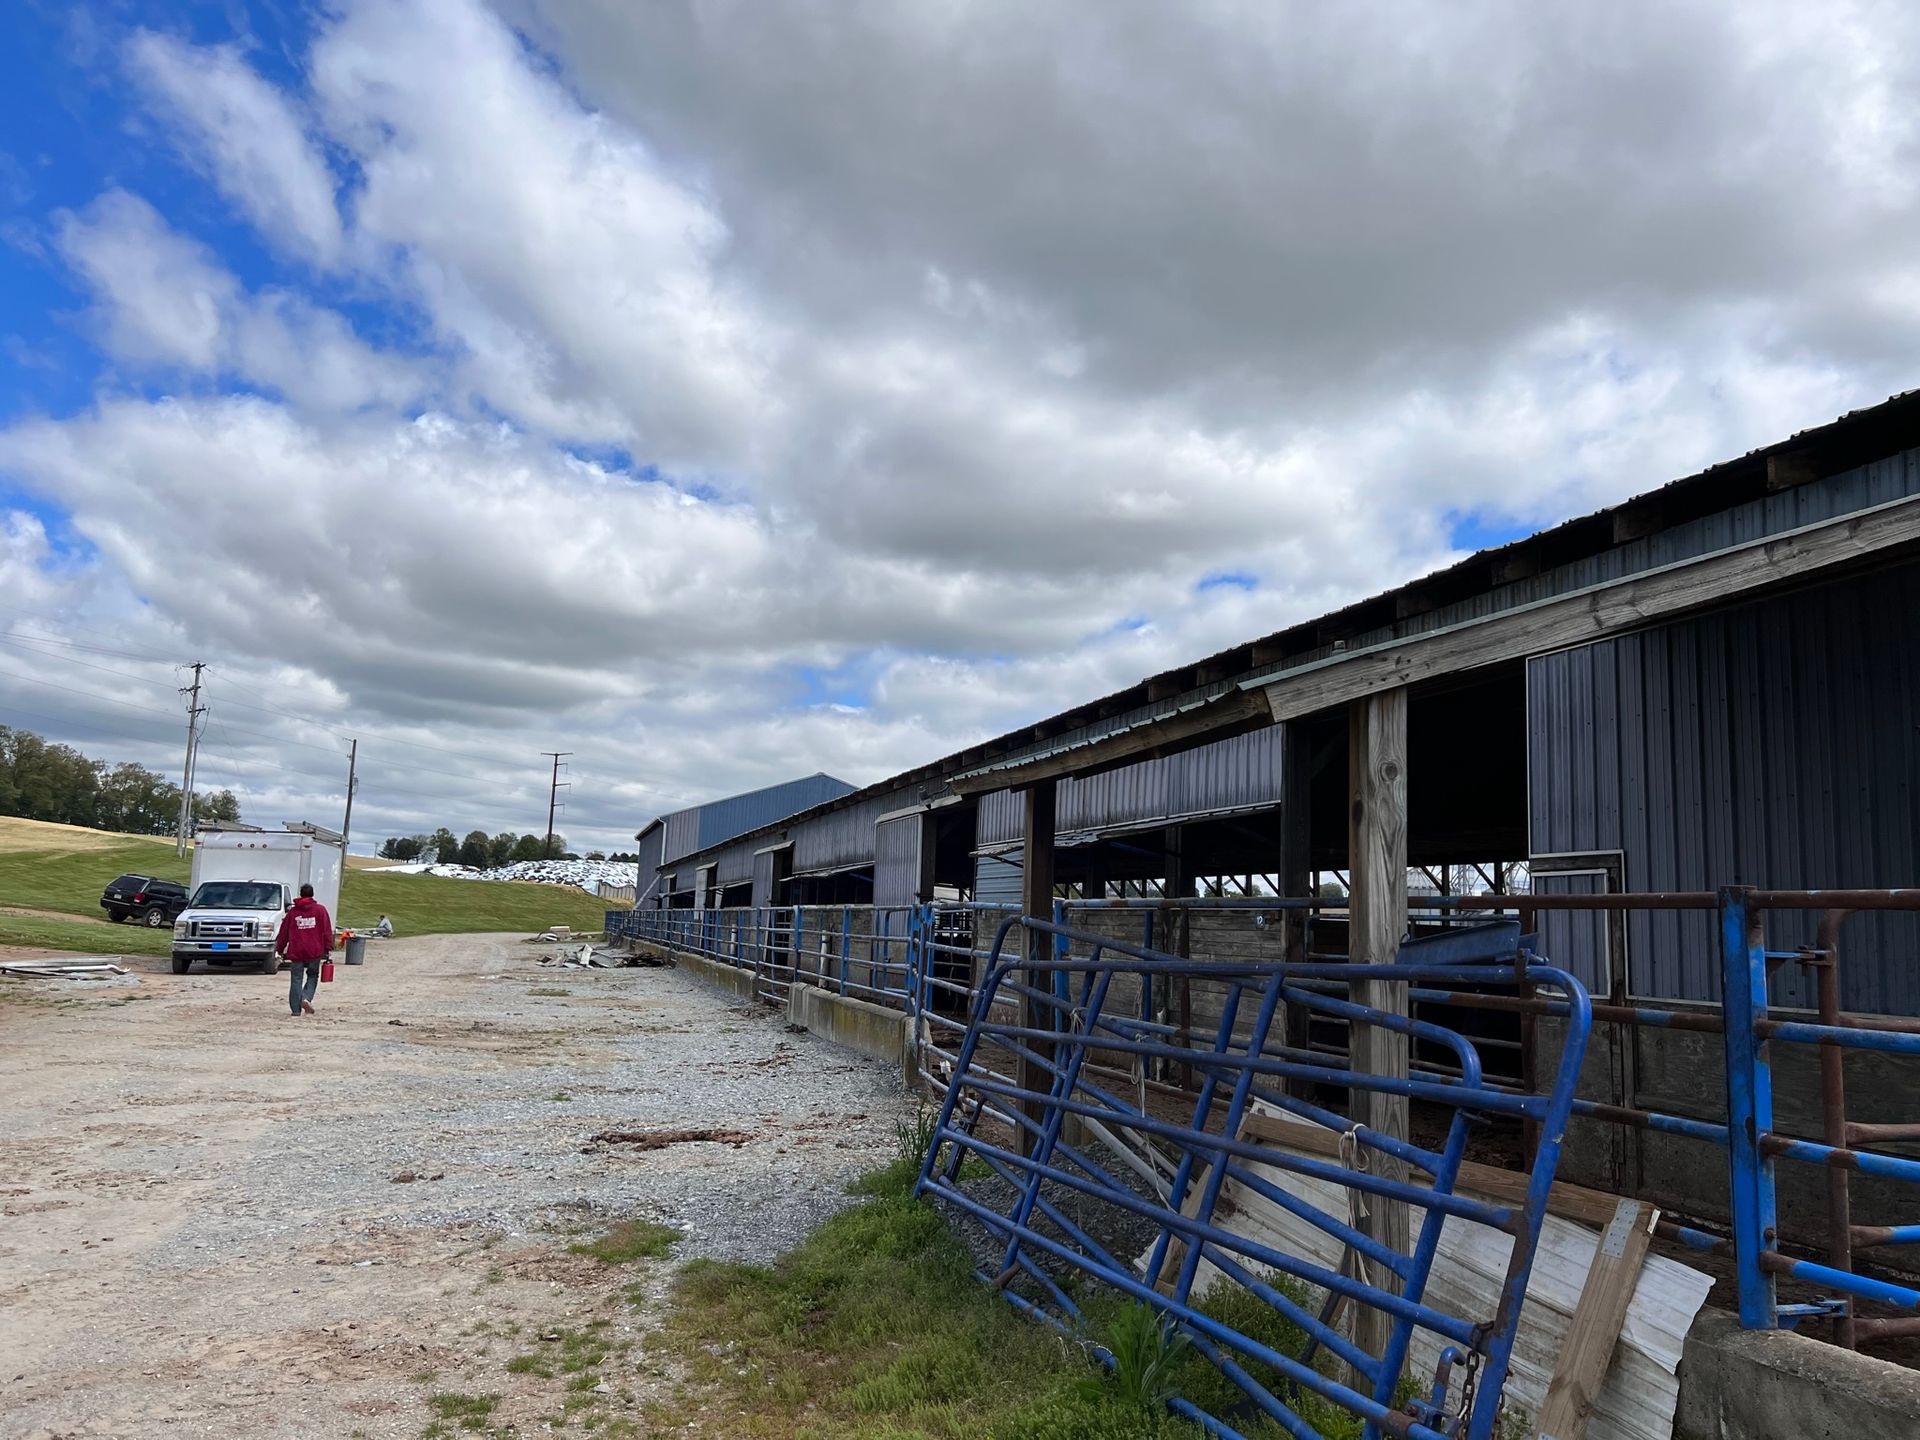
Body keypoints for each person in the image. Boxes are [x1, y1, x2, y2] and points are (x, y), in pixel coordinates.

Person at [275, 883, 334, 1018]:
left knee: (296, 978)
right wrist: (328, 947)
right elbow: (326, 930)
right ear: (312, 894)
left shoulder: (293, 913)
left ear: (301, 894)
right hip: (315, 949)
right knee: (313, 975)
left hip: (297, 950)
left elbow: (284, 933)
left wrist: (279, 948)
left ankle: (296, 1010)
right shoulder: (320, 910)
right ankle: (306, 998)